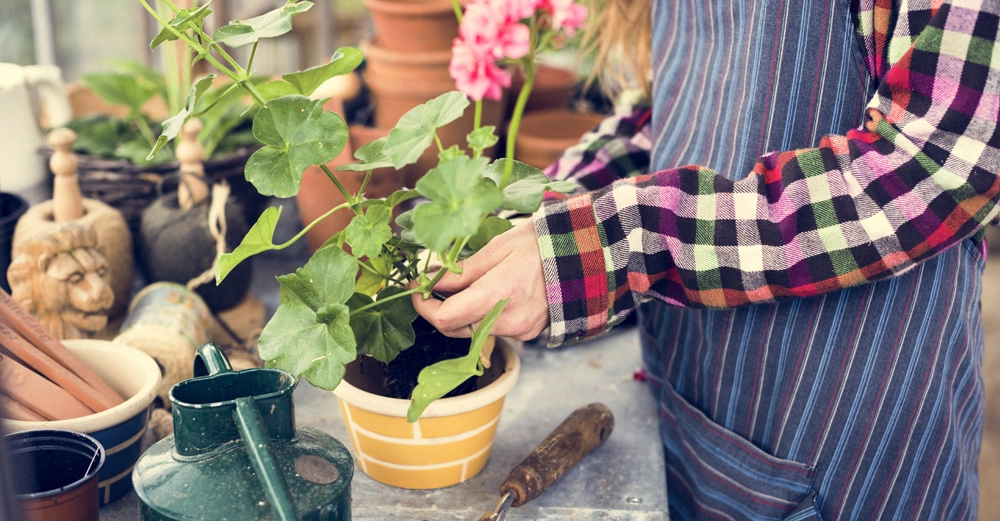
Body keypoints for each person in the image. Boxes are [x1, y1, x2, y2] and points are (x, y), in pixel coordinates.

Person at [413, 0, 1000, 519]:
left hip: (841, 418)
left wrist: (606, 244)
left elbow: (941, 163)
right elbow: (671, 110)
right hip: (693, 384)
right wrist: (532, 223)